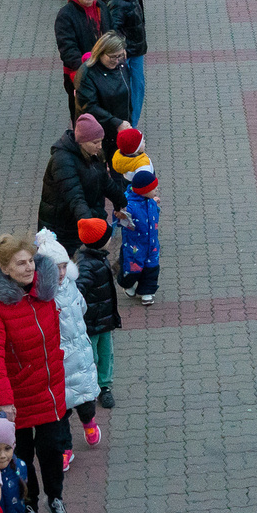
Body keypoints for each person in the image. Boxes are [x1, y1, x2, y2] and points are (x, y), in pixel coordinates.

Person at [0, 233, 72, 513]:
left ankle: (56, 499)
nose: (30, 267)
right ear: (5, 269)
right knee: (22, 457)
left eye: (31, 260)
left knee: (52, 450)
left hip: (50, 388)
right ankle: (28, 505)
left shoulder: (45, 290)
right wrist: (4, 401)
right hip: (17, 397)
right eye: (21, 263)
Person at [32, 227, 104, 448]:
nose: (62, 273)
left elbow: (81, 307)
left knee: (84, 397)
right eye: (56, 268)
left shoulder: (71, 285)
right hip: (57, 356)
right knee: (60, 407)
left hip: (79, 350)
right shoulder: (42, 295)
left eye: (64, 266)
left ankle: (88, 421)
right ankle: (65, 447)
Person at [73, 216, 122, 412]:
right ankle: (92, 388)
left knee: (105, 353)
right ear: (100, 241)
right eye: (108, 236)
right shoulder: (87, 265)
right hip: (91, 322)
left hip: (104, 319)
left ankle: (105, 385)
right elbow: (79, 290)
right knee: (92, 355)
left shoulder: (97, 258)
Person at [118, 165, 161, 304]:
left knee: (152, 267)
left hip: (151, 243)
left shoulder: (150, 201)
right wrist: (121, 214)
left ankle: (147, 291)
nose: (156, 190)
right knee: (133, 267)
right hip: (134, 245)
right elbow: (121, 214)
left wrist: (155, 203)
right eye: (153, 188)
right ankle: (127, 283)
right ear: (144, 191)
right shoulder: (129, 205)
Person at [75, 32, 134, 130]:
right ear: (100, 52)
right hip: (97, 132)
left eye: (120, 56)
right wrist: (116, 123)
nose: (116, 60)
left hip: (121, 127)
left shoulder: (121, 66)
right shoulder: (87, 73)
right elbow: (89, 107)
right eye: (112, 56)